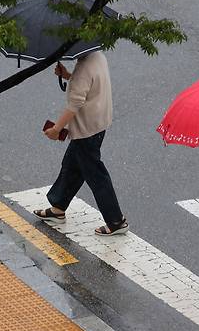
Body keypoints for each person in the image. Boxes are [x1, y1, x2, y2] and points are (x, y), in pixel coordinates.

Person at [34, 52, 129, 236]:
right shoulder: (97, 55)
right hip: (99, 123)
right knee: (72, 165)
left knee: (95, 174)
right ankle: (58, 207)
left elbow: (75, 104)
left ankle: (116, 220)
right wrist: (69, 76)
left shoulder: (84, 68)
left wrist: (56, 129)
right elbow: (89, 84)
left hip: (87, 129)